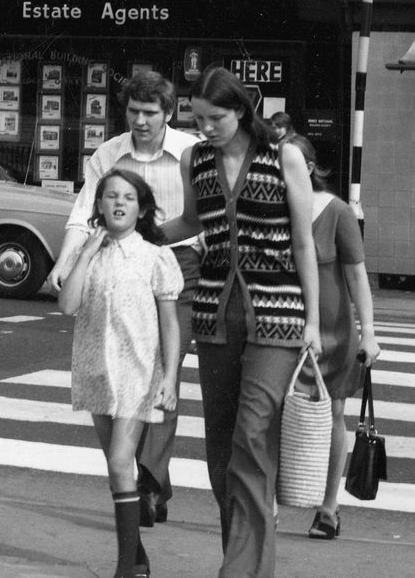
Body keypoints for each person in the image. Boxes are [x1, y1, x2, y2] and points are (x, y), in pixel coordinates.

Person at [160, 66, 320, 578]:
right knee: (220, 446)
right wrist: (139, 228)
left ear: (241, 109)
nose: (206, 127)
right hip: (214, 316)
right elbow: (192, 221)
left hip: (278, 314)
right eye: (199, 118)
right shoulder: (195, 158)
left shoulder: (284, 156)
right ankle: (247, 559)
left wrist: (313, 321)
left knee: (252, 437)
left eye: (216, 118)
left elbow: (302, 242)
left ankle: (241, 571)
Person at [47, 71, 199, 526]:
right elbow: (82, 214)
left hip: (177, 264)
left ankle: (149, 483)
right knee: (120, 372)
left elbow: (206, 212)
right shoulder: (108, 154)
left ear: (167, 113)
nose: (141, 120)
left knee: (159, 371)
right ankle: (141, 478)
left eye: (150, 112)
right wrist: (63, 262)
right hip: (116, 266)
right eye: (134, 111)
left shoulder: (189, 153)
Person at [59, 169, 182, 578]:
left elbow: (170, 323)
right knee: (118, 471)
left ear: (141, 207)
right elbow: (67, 305)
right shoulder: (89, 255)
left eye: (128, 197)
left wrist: (169, 378)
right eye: (110, 196)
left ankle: (125, 567)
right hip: (96, 370)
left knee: (118, 463)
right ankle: (139, 557)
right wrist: (87, 253)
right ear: (98, 205)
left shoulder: (155, 257)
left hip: (138, 371)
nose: (118, 203)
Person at [286, 135, 382, 540]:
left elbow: (358, 274)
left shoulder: (338, 211)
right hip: (284, 326)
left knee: (333, 414)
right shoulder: (276, 211)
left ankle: (328, 507)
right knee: (275, 415)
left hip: (335, 328)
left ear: (308, 168)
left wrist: (370, 334)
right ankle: (269, 504)